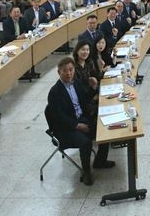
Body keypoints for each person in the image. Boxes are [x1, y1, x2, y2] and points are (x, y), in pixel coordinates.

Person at [47, 57, 114, 186]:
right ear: (59, 72)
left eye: (71, 70)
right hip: (65, 129)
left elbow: (84, 98)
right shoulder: (54, 92)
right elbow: (59, 117)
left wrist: (93, 88)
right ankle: (86, 173)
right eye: (65, 71)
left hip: (81, 119)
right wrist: (77, 125)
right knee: (85, 143)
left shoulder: (75, 83)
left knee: (105, 129)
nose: (68, 73)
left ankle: (100, 161)